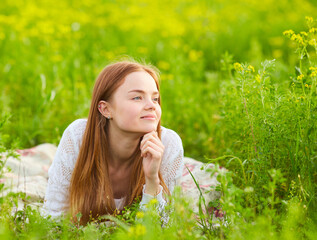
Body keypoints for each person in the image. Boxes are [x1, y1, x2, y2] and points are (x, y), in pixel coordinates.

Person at [42, 60, 184, 225]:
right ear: (105, 109)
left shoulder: (168, 144)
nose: (151, 106)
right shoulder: (78, 136)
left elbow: (160, 231)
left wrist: (152, 180)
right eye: (137, 97)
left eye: (155, 98)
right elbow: (52, 217)